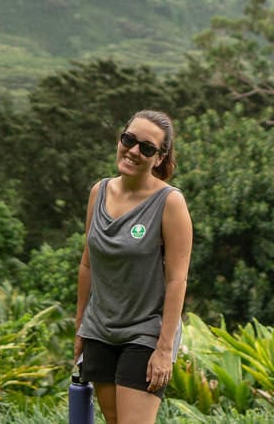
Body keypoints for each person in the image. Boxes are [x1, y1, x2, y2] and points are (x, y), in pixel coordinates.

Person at [74, 109, 193, 424]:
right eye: (129, 140)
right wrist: (80, 327)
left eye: (147, 147)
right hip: (100, 329)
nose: (134, 151)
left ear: (159, 157)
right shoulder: (99, 192)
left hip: (145, 331)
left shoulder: (169, 202)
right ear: (120, 139)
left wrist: (164, 349)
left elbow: (177, 280)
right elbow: (87, 264)